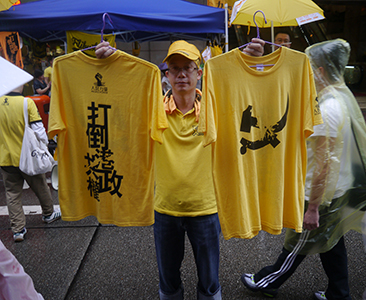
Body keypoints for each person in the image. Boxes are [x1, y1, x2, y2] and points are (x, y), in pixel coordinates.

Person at [96, 38, 265, 299]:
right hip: (165, 209)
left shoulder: (216, 109)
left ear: (200, 73)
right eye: (175, 68)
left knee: (209, 282)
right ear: (166, 75)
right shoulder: (153, 111)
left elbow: (248, 91)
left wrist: (253, 61)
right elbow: (120, 100)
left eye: (188, 67)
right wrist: (110, 65)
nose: (182, 74)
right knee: (168, 281)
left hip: (206, 209)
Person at [241, 39, 366, 300]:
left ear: (319, 71)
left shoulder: (327, 109)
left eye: (307, 68)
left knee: (297, 244)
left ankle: (267, 281)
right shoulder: (339, 95)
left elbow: (324, 164)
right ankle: (339, 293)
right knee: (331, 241)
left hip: (321, 195)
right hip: (336, 190)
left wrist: (313, 208)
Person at [0, 85, 61, 242]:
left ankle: (18, 230)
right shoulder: (26, 103)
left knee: (12, 194)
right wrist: (44, 146)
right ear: (18, 85)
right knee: (40, 186)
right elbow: (39, 129)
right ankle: (48, 214)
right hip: (28, 157)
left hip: (5, 158)